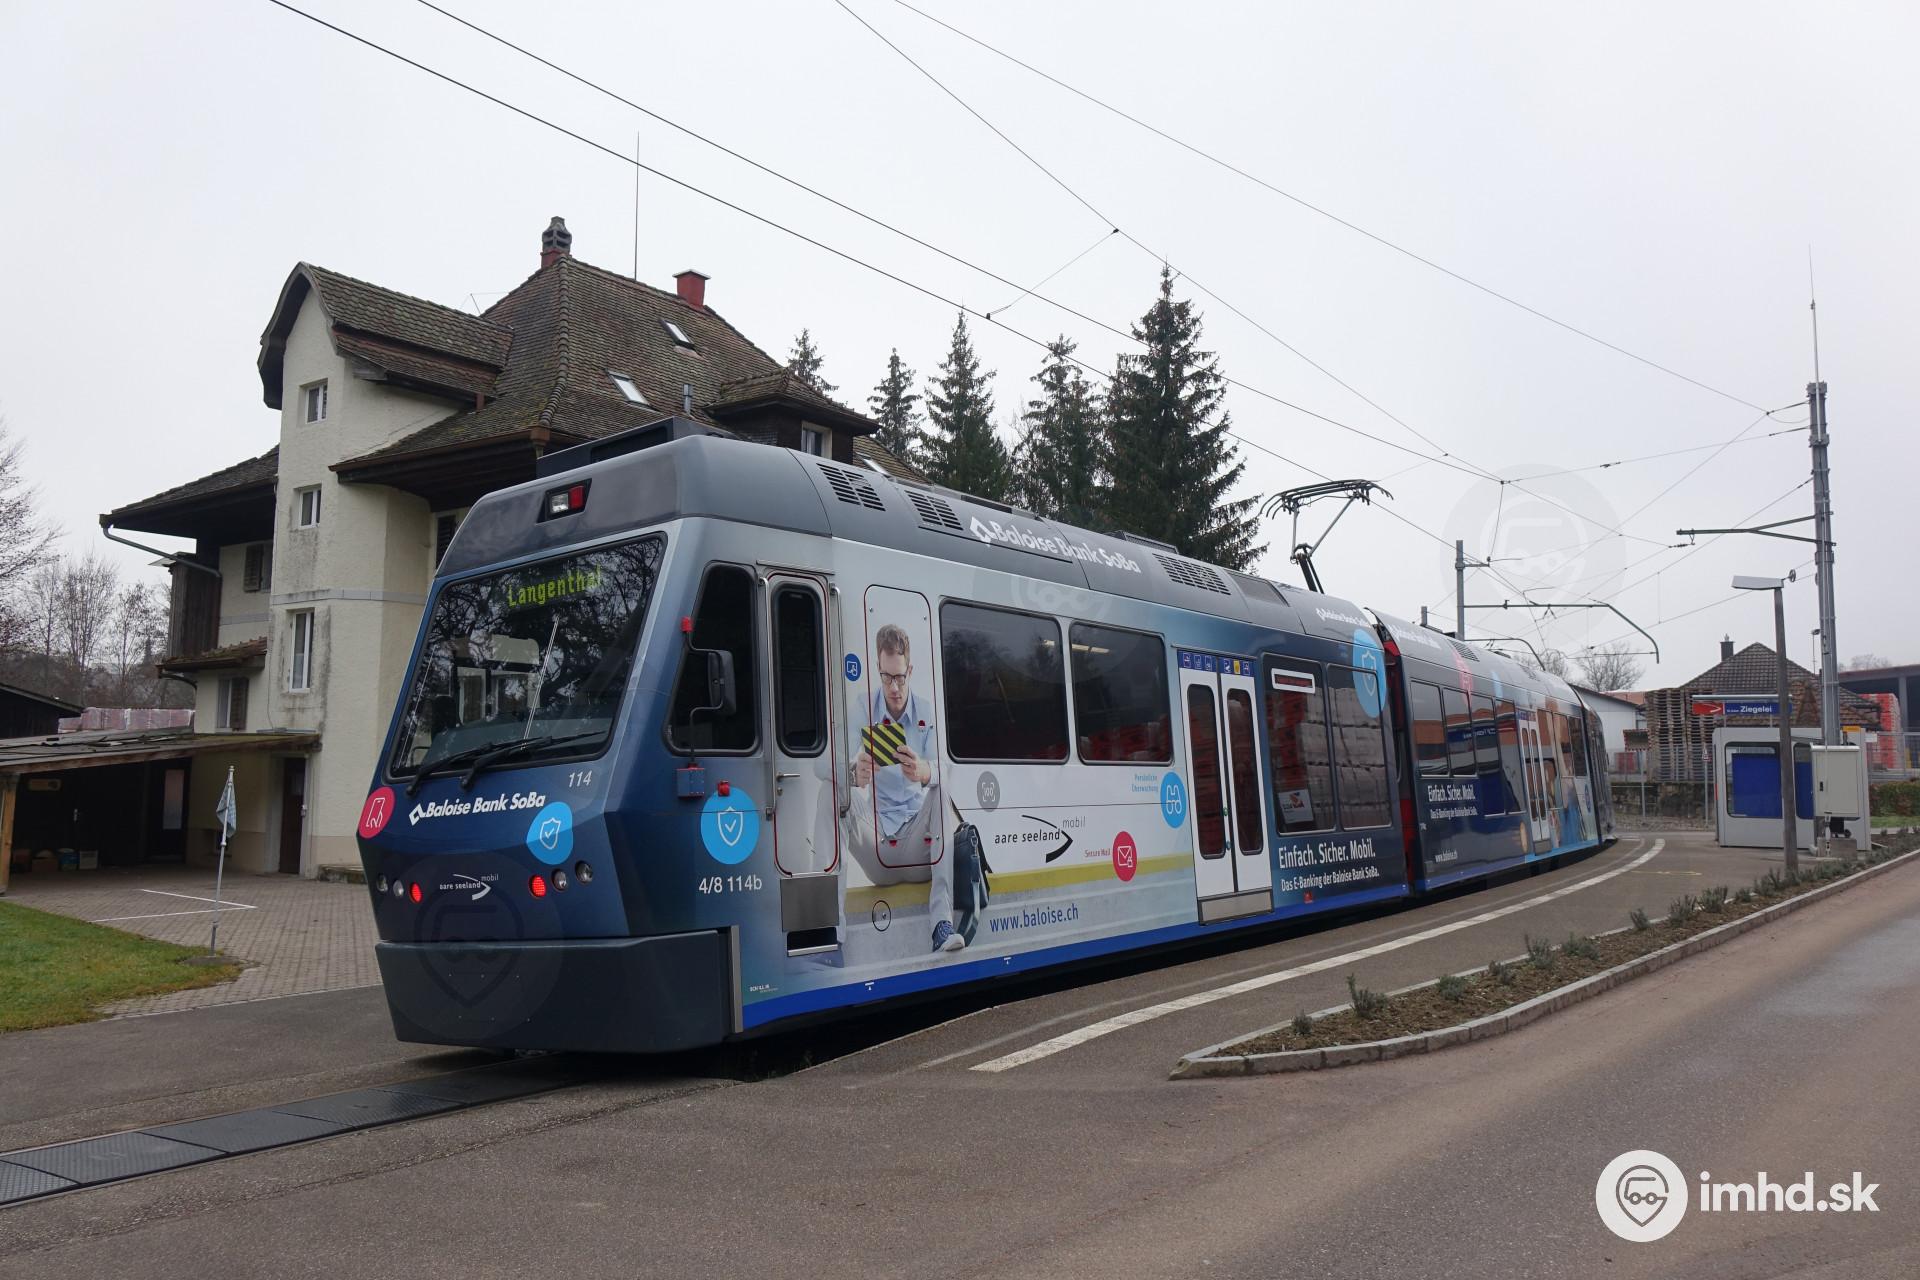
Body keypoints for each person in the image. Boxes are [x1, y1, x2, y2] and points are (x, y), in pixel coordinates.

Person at [847, 623, 962, 953]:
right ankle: (831, 927)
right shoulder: (863, 706)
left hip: (916, 846)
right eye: (887, 677)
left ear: (910, 670)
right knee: (835, 789)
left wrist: (925, 771)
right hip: (879, 846)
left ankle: (941, 924)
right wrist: (854, 772)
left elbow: (948, 770)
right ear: (878, 670)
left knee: (940, 787)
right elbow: (822, 767)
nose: (894, 687)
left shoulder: (925, 711)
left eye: (900, 677)